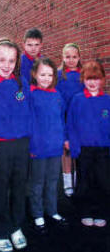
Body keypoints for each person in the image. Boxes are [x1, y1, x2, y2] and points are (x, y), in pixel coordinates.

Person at [0, 38, 31, 252]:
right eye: (2, 59)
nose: (7, 64)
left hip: (21, 144)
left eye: (12, 60)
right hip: (0, 147)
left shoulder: (22, 84)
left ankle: (15, 226)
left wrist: (32, 143)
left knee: (19, 187)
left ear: (17, 61)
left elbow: (30, 115)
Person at [67, 61, 110, 228]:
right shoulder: (77, 100)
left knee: (103, 182)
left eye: (96, 79)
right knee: (84, 182)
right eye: (88, 79)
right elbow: (71, 124)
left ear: (102, 80)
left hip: (103, 150)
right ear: (83, 80)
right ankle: (85, 211)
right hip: (84, 149)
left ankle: (100, 211)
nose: (92, 83)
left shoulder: (107, 100)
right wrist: (74, 146)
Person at [29, 58, 68, 234]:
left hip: (55, 146)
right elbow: (28, 122)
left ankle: (52, 210)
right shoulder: (31, 94)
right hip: (38, 147)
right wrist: (32, 145)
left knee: (53, 181)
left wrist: (63, 139)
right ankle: (37, 213)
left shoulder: (57, 95)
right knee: (37, 183)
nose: (46, 78)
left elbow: (61, 119)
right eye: (42, 74)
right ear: (35, 75)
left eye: (50, 75)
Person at [56, 43, 84, 197]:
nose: (71, 60)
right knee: (66, 150)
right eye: (68, 57)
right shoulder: (59, 75)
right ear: (63, 57)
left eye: (74, 57)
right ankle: (67, 180)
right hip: (65, 116)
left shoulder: (84, 74)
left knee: (78, 149)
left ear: (79, 57)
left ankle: (78, 178)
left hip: (80, 118)